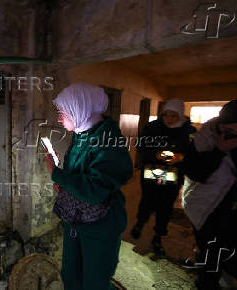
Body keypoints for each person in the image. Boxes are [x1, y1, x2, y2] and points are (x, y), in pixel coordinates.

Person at [43, 83, 133, 290]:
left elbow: (95, 191)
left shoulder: (108, 143)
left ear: (80, 110)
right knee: (70, 274)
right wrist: (63, 181)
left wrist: (56, 173)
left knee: (95, 281)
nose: (59, 118)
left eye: (63, 113)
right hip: (76, 219)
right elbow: (80, 175)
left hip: (101, 225)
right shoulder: (82, 133)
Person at [182, 97, 237, 289]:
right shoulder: (205, 138)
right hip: (208, 208)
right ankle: (207, 282)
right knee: (210, 252)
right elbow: (194, 172)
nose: (236, 135)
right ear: (220, 125)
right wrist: (220, 150)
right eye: (229, 130)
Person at [130, 99, 196, 255]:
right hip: (152, 170)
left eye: (173, 116)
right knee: (147, 199)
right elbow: (141, 146)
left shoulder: (189, 132)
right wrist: (155, 154)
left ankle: (158, 236)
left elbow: (195, 153)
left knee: (165, 206)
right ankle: (140, 222)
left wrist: (181, 157)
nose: (169, 119)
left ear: (180, 115)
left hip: (174, 174)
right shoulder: (153, 127)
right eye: (166, 115)